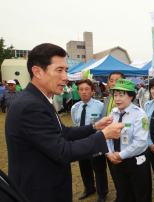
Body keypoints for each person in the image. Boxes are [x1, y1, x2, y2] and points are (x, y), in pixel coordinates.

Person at [5, 43, 123, 202]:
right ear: (37, 71)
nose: (65, 77)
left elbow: (63, 132)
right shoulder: (30, 106)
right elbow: (62, 151)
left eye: (66, 70)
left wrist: (95, 126)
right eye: (59, 70)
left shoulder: (41, 100)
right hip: (39, 192)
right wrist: (103, 135)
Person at [106, 79, 152, 202]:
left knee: (141, 195)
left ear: (131, 96)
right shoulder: (113, 112)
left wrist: (120, 155)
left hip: (135, 163)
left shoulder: (139, 114)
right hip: (117, 161)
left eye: (122, 95)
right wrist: (109, 153)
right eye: (115, 95)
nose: (117, 99)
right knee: (123, 194)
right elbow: (108, 137)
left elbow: (141, 143)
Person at [71, 79, 108, 202]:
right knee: (84, 167)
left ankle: (102, 193)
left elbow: (105, 124)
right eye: (81, 89)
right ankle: (89, 188)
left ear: (93, 91)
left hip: (96, 142)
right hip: (81, 143)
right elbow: (75, 125)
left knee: (99, 169)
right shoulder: (75, 108)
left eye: (87, 89)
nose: (83, 92)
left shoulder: (101, 106)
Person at [103, 71, 126, 202]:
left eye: (117, 80)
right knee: (113, 171)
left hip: (124, 143)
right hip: (109, 142)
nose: (113, 83)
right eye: (111, 80)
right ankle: (119, 195)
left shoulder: (131, 104)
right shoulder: (106, 99)